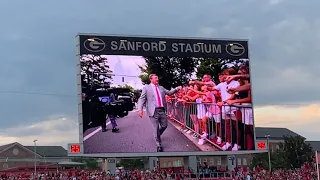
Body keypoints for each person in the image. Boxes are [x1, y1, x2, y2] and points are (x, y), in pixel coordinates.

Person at [137, 74, 182, 152]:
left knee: (164, 125)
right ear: (151, 79)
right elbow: (142, 99)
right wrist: (140, 109)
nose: (157, 79)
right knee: (156, 128)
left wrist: (177, 88)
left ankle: (157, 135)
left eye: (157, 78)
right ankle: (159, 145)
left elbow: (169, 92)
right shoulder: (146, 88)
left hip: (162, 110)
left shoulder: (161, 88)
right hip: (153, 111)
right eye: (156, 78)